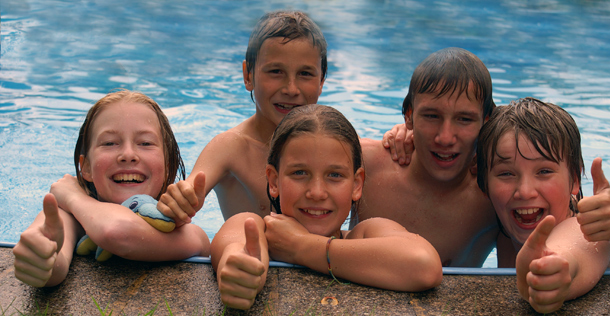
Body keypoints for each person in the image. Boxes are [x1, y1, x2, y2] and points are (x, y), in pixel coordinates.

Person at [360, 47, 610, 267]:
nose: (445, 137)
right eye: (431, 116)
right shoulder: (364, 164)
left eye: (464, 119)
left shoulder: (496, 193)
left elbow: (562, 214)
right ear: (409, 115)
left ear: (485, 122)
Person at [211, 104, 442, 310]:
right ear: (273, 181)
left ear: (356, 184)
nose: (317, 192)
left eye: (334, 175)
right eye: (299, 173)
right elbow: (236, 247)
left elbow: (424, 264)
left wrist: (301, 246)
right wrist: (240, 270)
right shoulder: (253, 230)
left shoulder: (364, 235)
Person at [12, 90, 211, 287]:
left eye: (145, 143)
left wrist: (74, 197)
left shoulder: (188, 233)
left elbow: (117, 232)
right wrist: (43, 262)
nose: (128, 154)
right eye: (109, 143)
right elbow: (54, 261)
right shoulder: (66, 217)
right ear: (86, 168)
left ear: (168, 166)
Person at [157, 10, 327, 226]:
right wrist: (181, 198)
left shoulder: (337, 145)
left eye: (305, 74)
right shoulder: (231, 148)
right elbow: (192, 187)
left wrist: (385, 144)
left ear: (321, 80)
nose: (291, 89)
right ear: (248, 76)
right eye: (275, 71)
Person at [476, 97, 610, 313]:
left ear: (574, 179)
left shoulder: (584, 229)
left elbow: (570, 252)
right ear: (485, 185)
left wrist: (550, 271)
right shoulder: (502, 225)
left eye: (544, 172)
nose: (525, 191)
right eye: (506, 173)